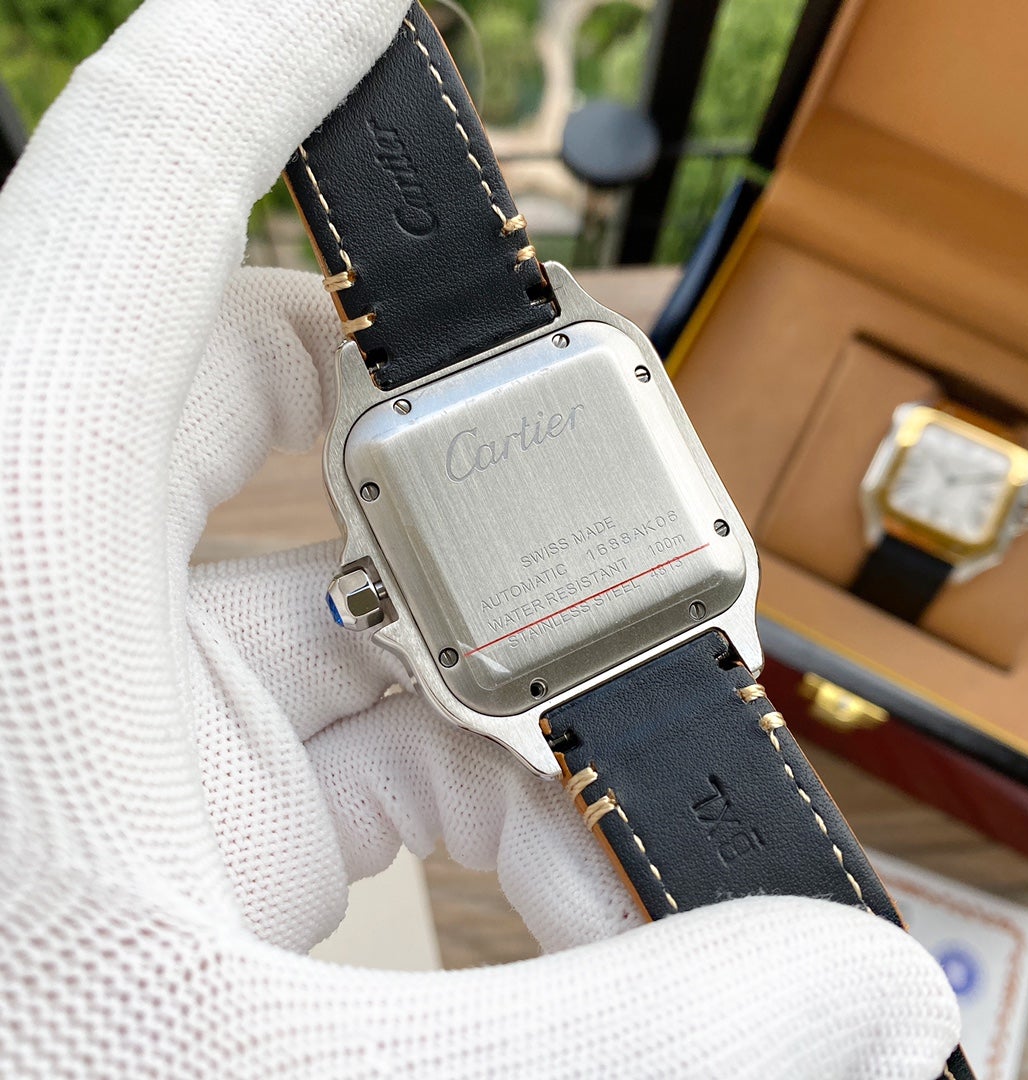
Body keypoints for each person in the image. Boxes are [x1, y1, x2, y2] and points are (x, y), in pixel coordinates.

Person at [0, 1, 960, 1075]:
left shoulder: (573, 365)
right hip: (635, 636)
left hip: (629, 630)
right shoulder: (575, 361)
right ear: (372, 598)